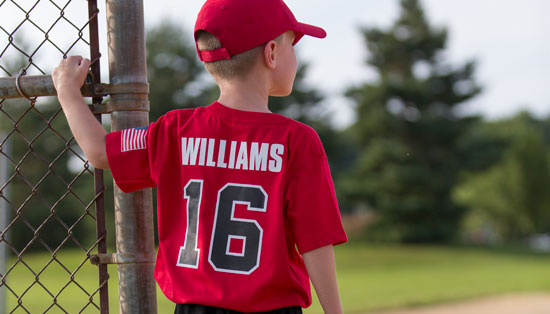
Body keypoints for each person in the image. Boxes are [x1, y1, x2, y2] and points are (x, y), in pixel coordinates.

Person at [52, 0, 348, 313]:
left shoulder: (175, 131)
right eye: (293, 44)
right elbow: (315, 241)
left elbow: (99, 151)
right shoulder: (296, 141)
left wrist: (67, 92)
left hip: (195, 308)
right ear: (271, 53)